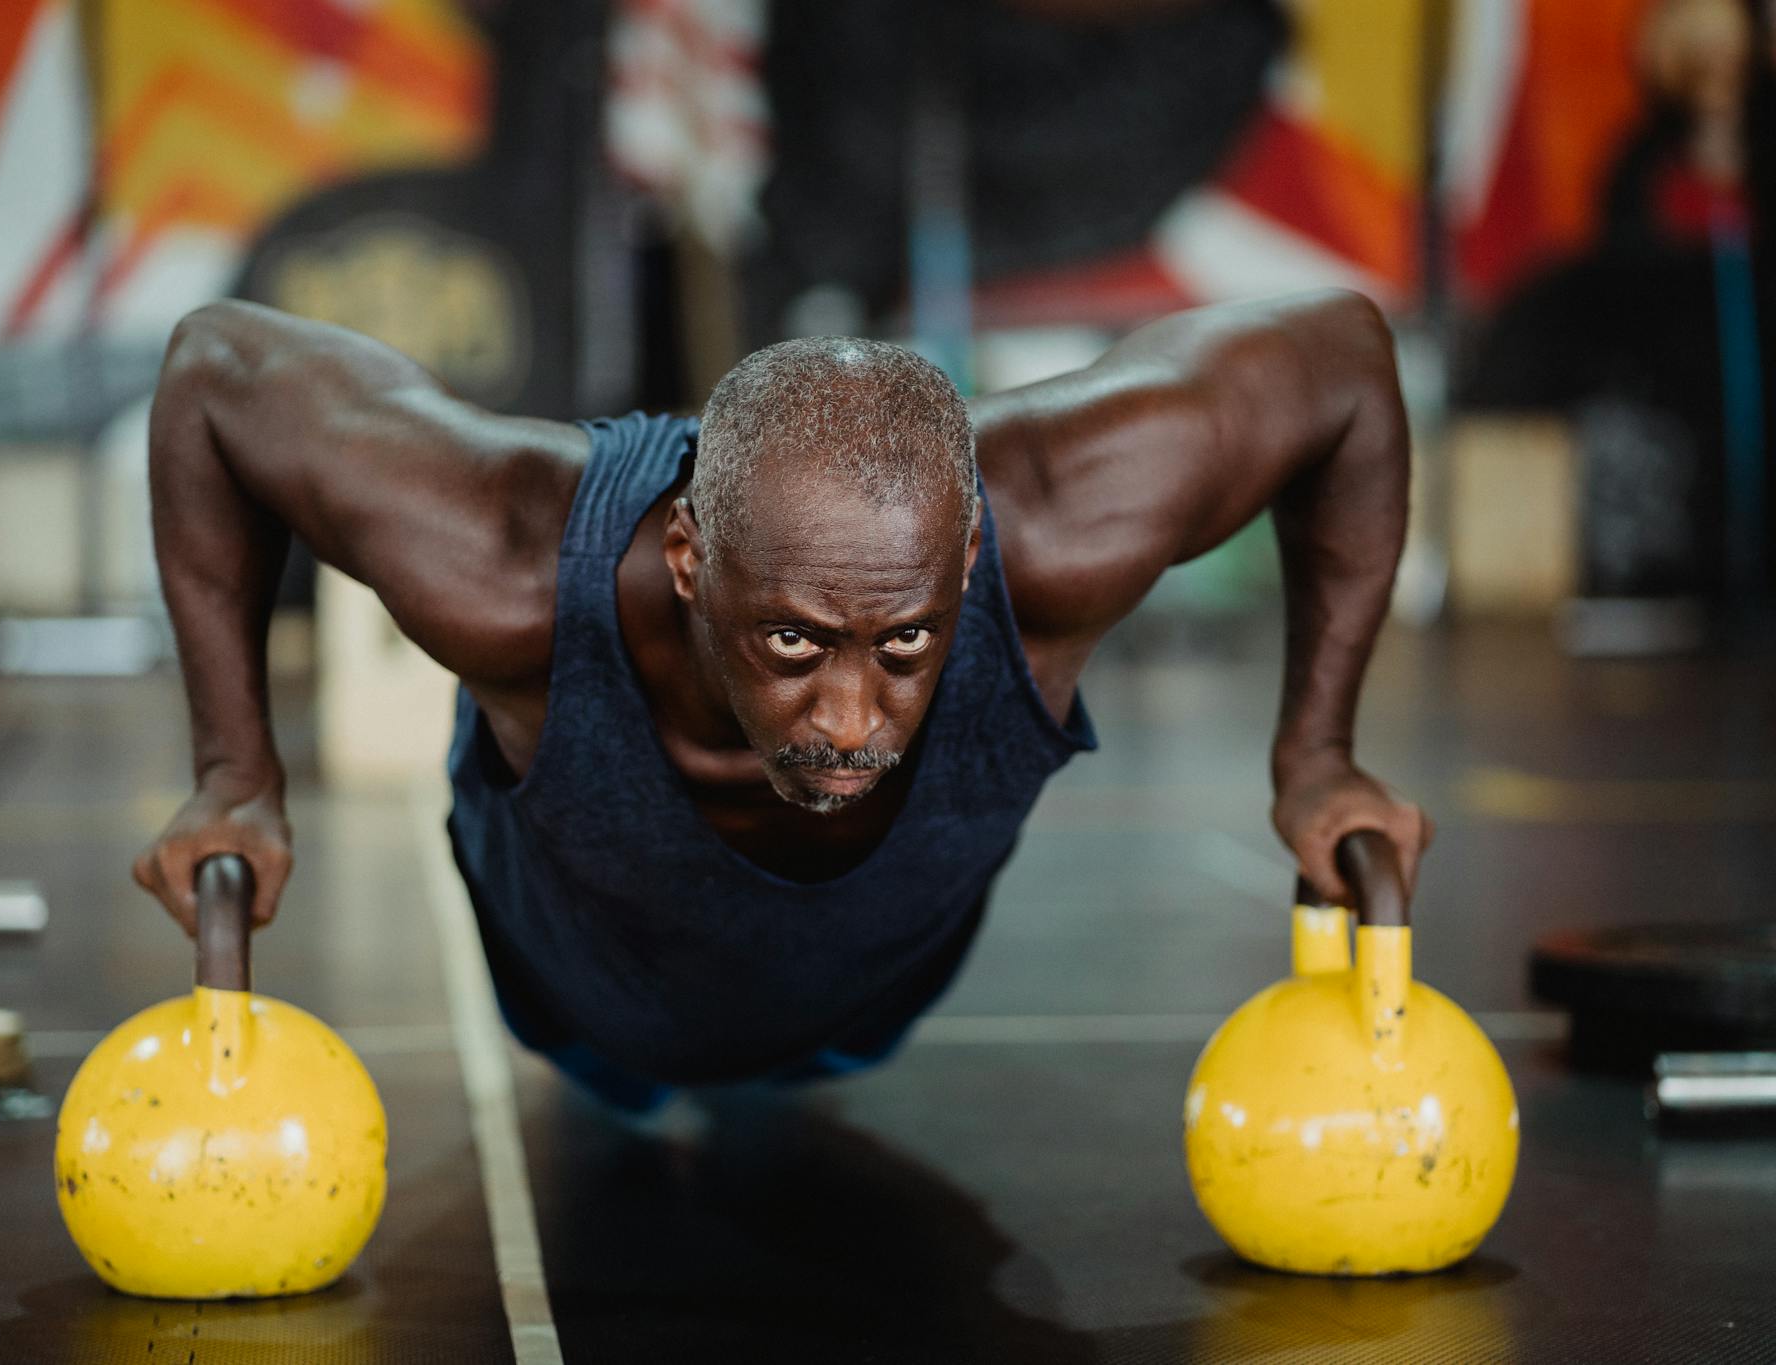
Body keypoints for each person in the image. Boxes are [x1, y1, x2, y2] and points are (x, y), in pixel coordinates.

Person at [131, 288, 1432, 1110]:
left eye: (908, 639)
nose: (854, 717)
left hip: (875, 997)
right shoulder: (509, 563)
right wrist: (237, 768)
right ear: (691, 559)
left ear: (968, 556)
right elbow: (212, 371)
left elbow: (1346, 359)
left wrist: (1317, 751)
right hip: (578, 995)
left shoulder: (1062, 529)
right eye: (795, 641)